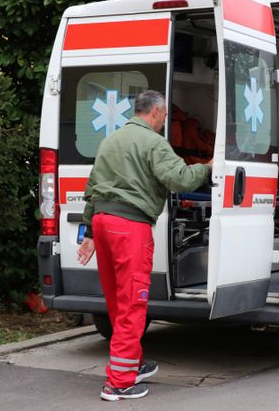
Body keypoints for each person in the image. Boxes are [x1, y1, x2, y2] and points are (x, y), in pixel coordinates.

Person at [76, 90, 212, 401]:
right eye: (164, 116)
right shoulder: (153, 142)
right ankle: (119, 383)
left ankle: (132, 364)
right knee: (132, 303)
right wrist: (208, 166)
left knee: (116, 300)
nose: (165, 121)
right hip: (129, 228)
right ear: (155, 112)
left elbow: (92, 187)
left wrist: (88, 234)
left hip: (102, 222)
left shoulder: (111, 140)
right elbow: (179, 179)